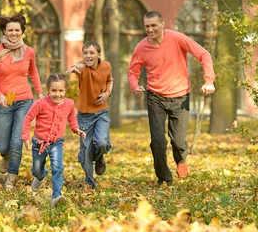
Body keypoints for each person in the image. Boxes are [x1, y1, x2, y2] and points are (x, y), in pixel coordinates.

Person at [127, 10, 215, 185]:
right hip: (155, 97)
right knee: (157, 140)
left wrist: (209, 80)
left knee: (178, 140)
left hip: (180, 96)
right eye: (147, 26)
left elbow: (204, 55)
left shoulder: (177, 38)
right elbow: (132, 72)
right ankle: (164, 177)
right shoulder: (141, 47)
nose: (150, 29)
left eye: (153, 25)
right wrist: (135, 86)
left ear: (162, 24)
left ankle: (181, 159)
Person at [0, 13, 43, 190]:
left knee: (17, 141)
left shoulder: (29, 52)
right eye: (10, 30)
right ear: (4, 30)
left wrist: (40, 93)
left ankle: (11, 178)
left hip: (24, 100)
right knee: (3, 145)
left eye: (17, 30)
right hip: (4, 102)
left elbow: (33, 73)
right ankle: (5, 156)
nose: (13, 33)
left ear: (22, 32)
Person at [21, 73, 86, 208]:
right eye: (54, 91)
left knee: (58, 168)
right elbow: (28, 118)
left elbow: (72, 118)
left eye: (61, 90)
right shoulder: (40, 103)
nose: (57, 94)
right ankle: (41, 176)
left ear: (65, 90)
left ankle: (56, 196)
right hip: (39, 143)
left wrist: (76, 129)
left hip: (56, 142)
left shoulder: (69, 103)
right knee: (36, 170)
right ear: (48, 90)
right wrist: (25, 137)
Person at [66, 41, 113, 189]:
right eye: (85, 53)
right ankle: (89, 183)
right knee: (86, 151)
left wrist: (107, 93)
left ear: (99, 54)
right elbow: (77, 68)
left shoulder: (106, 66)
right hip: (84, 116)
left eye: (91, 53)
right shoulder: (82, 68)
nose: (88, 56)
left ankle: (99, 158)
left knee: (102, 143)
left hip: (102, 112)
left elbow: (110, 80)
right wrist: (74, 68)